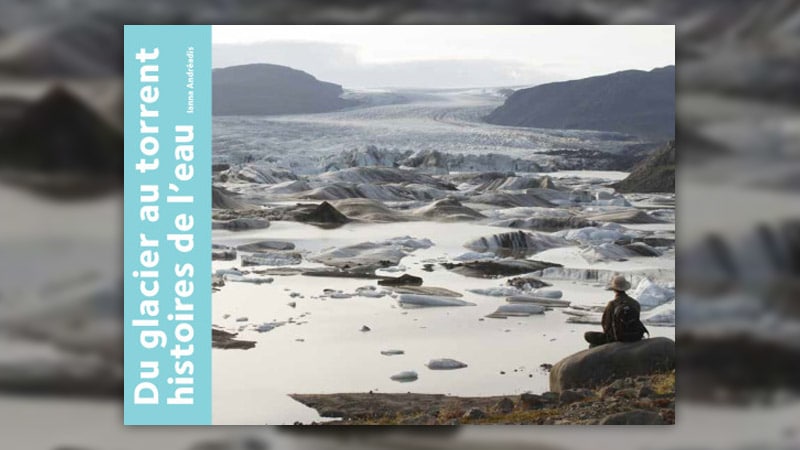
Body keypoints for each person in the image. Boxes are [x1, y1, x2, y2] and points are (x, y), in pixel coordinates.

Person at [584, 275, 649, 347]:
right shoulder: (635, 303)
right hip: (635, 336)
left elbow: (605, 324)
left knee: (588, 335)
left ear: (614, 290)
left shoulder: (612, 304)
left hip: (616, 338)